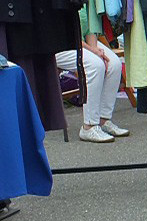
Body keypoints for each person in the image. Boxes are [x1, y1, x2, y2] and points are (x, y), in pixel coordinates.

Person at [54, 10, 130, 143]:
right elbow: (67, 33)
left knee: (114, 64)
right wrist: (93, 51)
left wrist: (94, 48)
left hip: (83, 43)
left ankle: (103, 119)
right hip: (61, 44)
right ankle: (89, 126)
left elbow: (90, 28)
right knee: (95, 66)